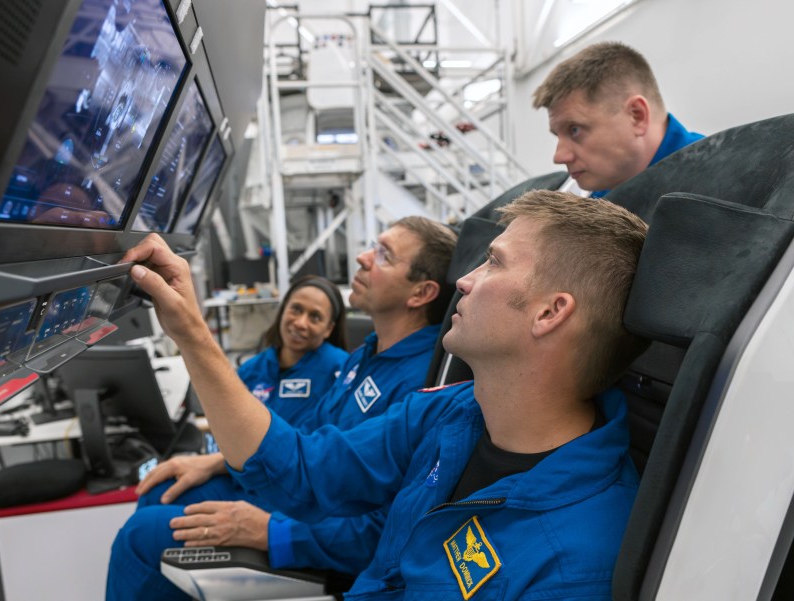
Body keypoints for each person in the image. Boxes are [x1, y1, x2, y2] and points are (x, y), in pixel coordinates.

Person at [121, 190, 649, 599]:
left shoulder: (576, 561)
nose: (463, 281)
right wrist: (190, 331)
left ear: (550, 313)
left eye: (494, 262)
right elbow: (304, 469)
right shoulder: (450, 412)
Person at [107, 217, 458, 600]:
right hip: (304, 499)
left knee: (140, 537)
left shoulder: (422, 385)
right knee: (162, 491)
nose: (362, 257)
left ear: (421, 293)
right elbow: (309, 434)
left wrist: (269, 531)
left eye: (384, 255)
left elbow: (388, 527)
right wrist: (217, 461)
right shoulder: (365, 354)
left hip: (320, 533)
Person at [533, 41, 704, 197]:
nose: (559, 156)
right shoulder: (604, 190)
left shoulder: (718, 183)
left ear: (637, 116)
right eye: (557, 135)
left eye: (574, 130)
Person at [235, 275, 349, 425]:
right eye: (296, 309)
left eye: (315, 317)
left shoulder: (342, 370)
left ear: (329, 329)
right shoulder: (250, 370)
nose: (300, 323)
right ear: (282, 310)